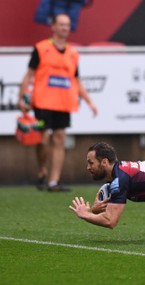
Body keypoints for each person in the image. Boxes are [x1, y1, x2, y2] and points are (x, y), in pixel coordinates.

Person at [17, 13, 98, 192]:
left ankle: (54, 182)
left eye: (67, 25)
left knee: (60, 138)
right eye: (61, 25)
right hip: (43, 101)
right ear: (53, 27)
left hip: (63, 102)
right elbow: (29, 75)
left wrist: (90, 102)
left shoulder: (73, 54)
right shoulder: (41, 48)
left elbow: (76, 80)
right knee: (43, 139)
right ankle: (42, 169)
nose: (64, 28)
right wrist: (21, 97)